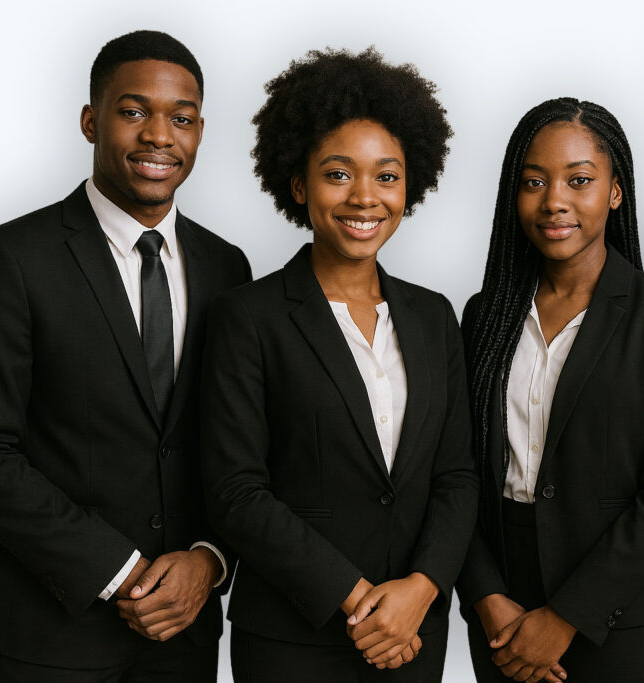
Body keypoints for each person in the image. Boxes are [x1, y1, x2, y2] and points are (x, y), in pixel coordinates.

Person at [0, 30, 251, 681]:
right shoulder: (12, 257)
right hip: (53, 629)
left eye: (181, 118)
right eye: (133, 111)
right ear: (90, 120)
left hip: (184, 629)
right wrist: (119, 570)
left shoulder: (228, 267)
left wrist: (210, 557)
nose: (159, 135)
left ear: (200, 132)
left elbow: (235, 444)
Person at [199, 47, 478, 682]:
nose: (365, 197)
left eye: (387, 176)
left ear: (410, 185)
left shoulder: (434, 316)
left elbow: (457, 476)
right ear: (298, 185)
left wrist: (422, 588)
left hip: (413, 634)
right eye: (337, 174)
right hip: (294, 638)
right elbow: (236, 491)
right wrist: (358, 601)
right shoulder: (248, 316)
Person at [456, 97, 644, 683]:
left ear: (615, 192)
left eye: (579, 180)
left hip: (623, 617)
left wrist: (569, 616)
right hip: (502, 611)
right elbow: (458, 471)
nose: (554, 200)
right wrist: (485, 595)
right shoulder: (485, 317)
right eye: (534, 182)